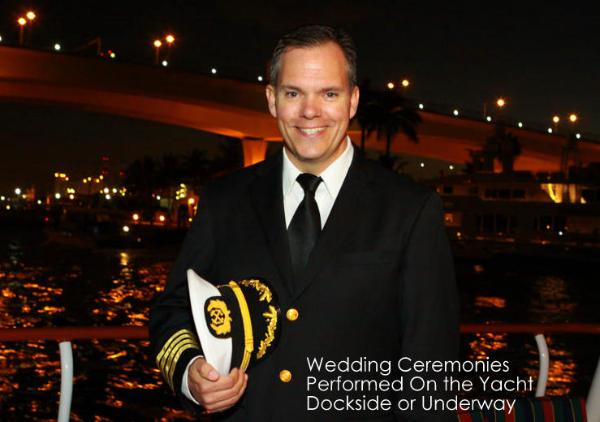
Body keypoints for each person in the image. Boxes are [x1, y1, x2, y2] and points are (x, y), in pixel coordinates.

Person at [150, 24, 458, 421]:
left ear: (352, 101)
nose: (310, 111)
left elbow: (430, 370)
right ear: (272, 100)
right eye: (293, 93)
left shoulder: (411, 210)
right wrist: (191, 373)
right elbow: (173, 308)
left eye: (329, 93)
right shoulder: (224, 200)